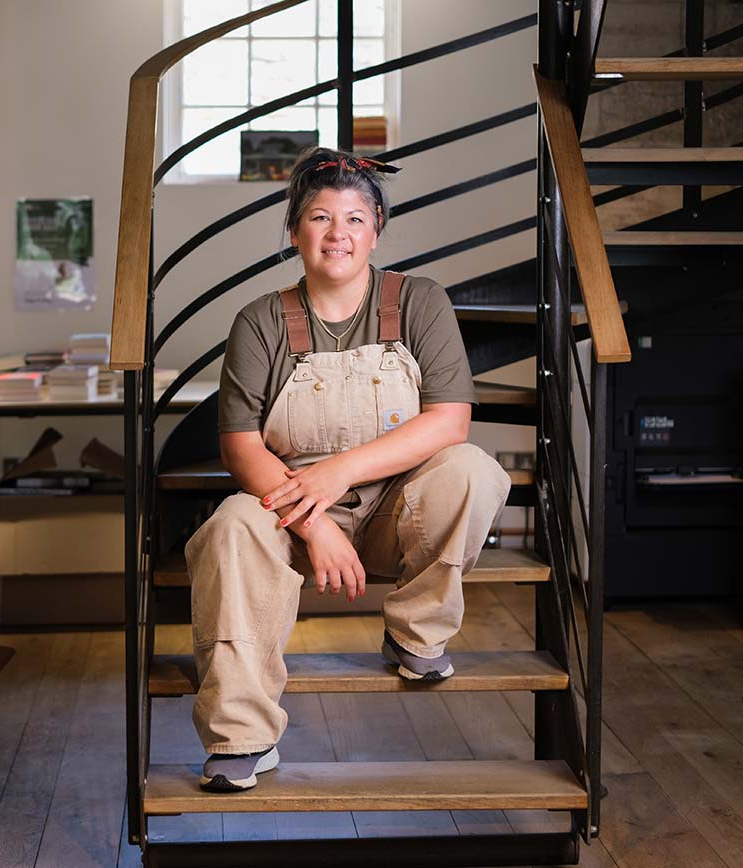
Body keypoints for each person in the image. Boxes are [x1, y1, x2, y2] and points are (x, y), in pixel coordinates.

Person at [187, 147, 511, 792]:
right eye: (319, 217)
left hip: (400, 509)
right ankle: (241, 734)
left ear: (378, 228)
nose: (338, 234)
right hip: (290, 511)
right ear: (293, 230)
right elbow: (241, 447)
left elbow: (449, 421)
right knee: (229, 527)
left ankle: (417, 636)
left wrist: (337, 473)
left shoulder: (418, 301)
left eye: (356, 218)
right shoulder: (259, 321)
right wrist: (314, 521)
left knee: (471, 468)